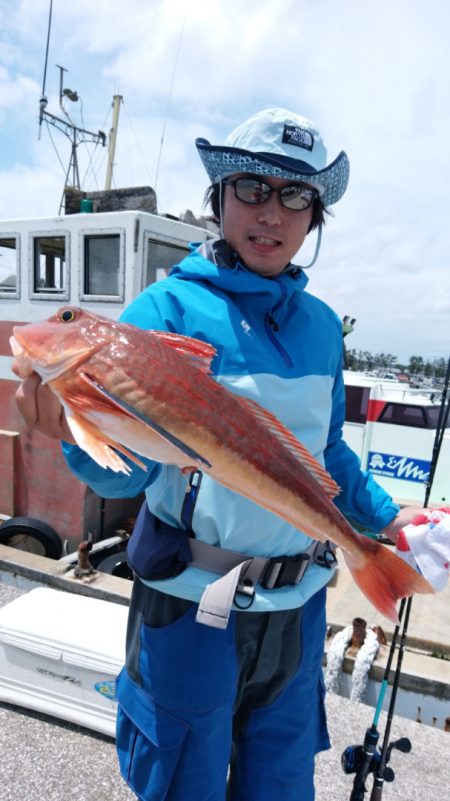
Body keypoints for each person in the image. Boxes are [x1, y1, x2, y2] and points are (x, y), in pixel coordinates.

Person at [14, 107, 425, 801]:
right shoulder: (162, 312)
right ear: (221, 197)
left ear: (315, 215)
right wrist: (72, 432)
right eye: (252, 188)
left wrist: (389, 520)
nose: (272, 213)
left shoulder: (323, 328)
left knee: (280, 788)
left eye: (297, 195)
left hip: (297, 609)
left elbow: (327, 455)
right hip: (188, 607)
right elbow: (135, 464)